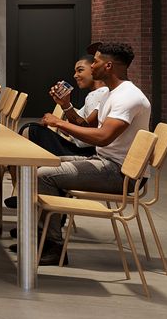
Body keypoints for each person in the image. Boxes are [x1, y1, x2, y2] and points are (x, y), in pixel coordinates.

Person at [29, 41, 151, 263]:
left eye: (95, 61)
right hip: (105, 161)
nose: (91, 65)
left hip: (122, 173)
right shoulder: (110, 94)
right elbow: (87, 127)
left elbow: (103, 136)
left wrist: (60, 123)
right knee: (38, 164)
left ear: (108, 66)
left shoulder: (128, 97)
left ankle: (52, 246)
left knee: (43, 175)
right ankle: (41, 235)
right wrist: (65, 106)